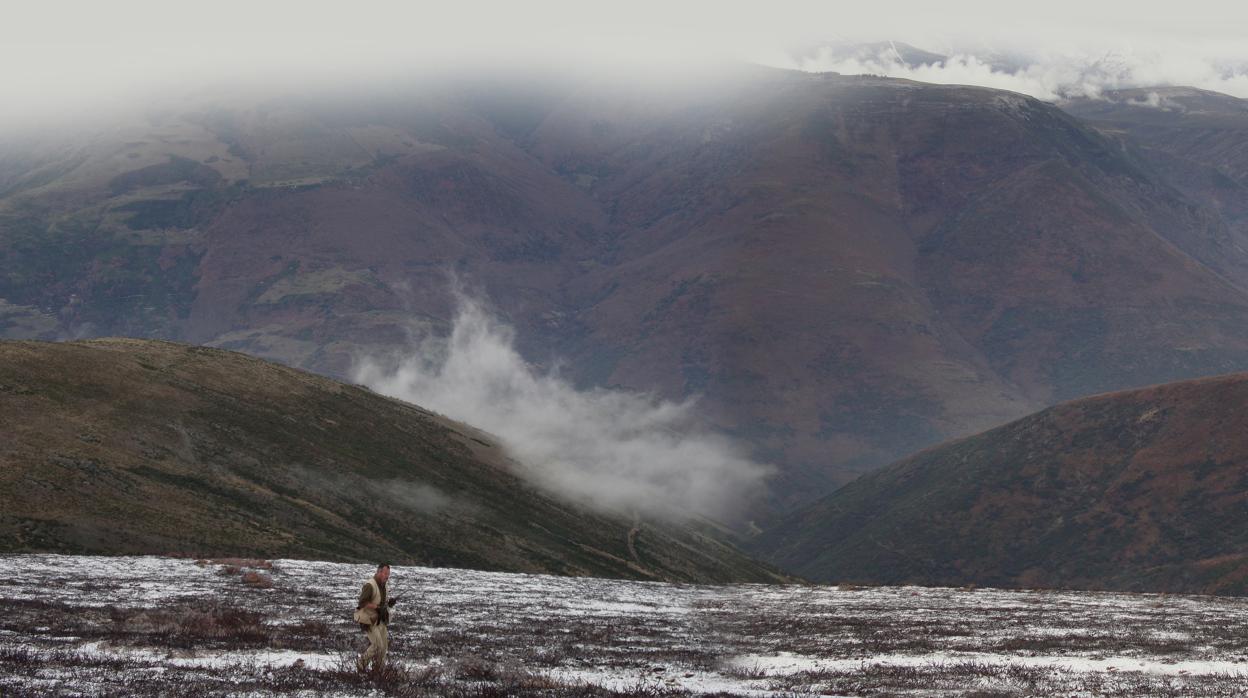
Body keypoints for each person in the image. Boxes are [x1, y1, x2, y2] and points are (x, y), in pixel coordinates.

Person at [355, 562, 397, 672]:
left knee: (384, 648)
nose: (387, 576)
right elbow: (362, 602)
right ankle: (360, 665)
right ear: (379, 572)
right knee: (377, 645)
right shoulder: (370, 585)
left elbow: (383, 603)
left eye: (388, 574)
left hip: (380, 620)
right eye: (385, 574)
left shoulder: (385, 586)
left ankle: (378, 671)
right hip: (368, 619)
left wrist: (390, 603)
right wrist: (376, 607)